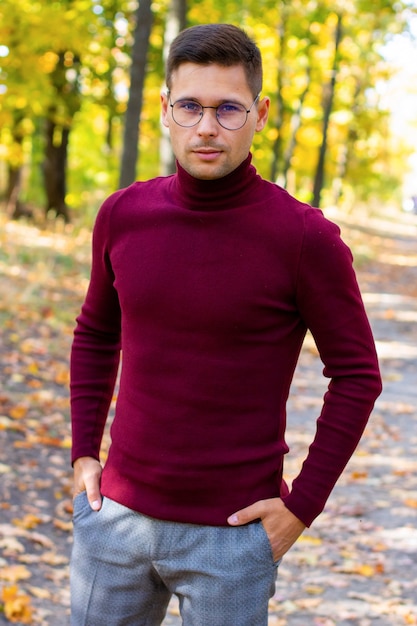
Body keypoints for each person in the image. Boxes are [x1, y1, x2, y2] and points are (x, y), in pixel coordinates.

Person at [70, 23, 382, 626]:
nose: (206, 127)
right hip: (114, 522)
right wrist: (85, 451)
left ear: (260, 113)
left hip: (233, 539)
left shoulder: (304, 238)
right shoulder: (124, 214)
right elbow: (95, 333)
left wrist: (302, 506)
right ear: (165, 109)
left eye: (228, 109)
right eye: (189, 106)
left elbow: (357, 375)